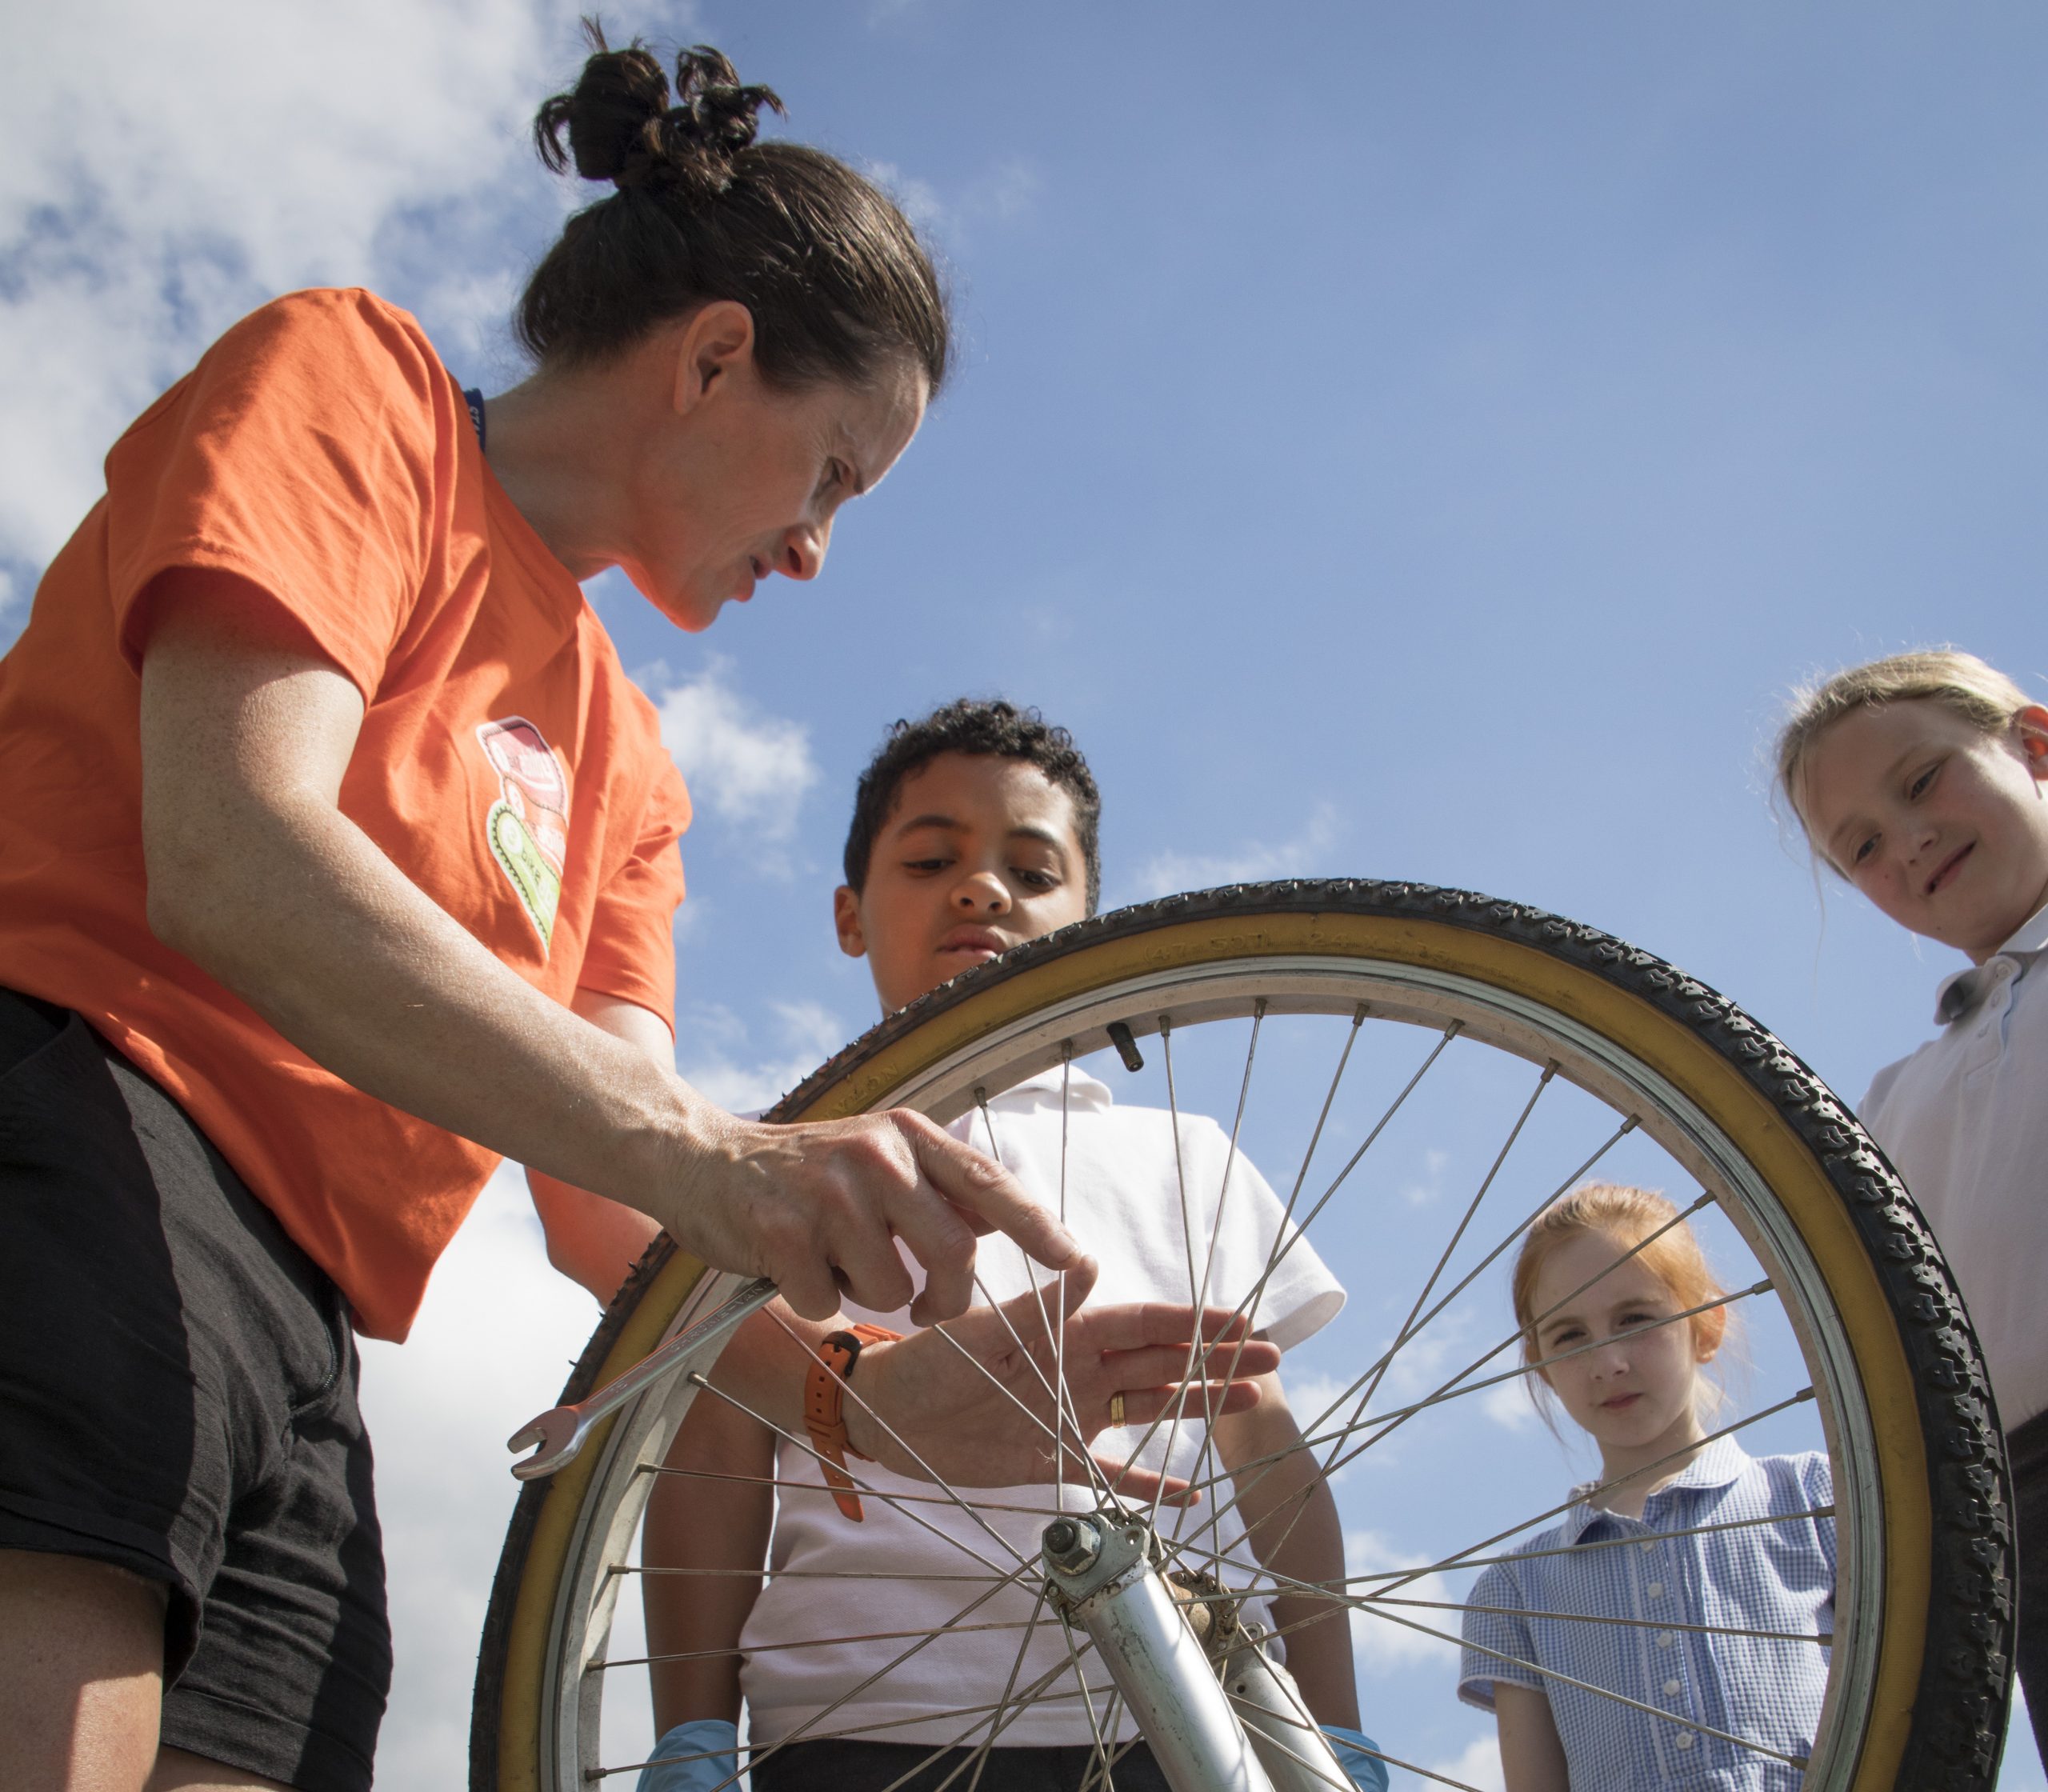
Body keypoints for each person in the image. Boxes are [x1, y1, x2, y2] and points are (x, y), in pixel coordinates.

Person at [0, 34, 1258, 1792]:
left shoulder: (634, 769)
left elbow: (617, 1208)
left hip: (315, 1321)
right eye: (832, 473)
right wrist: (730, 1160)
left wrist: (858, 1396)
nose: (817, 550)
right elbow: (235, 848)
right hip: (80, 1124)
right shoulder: (352, 385)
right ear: (716, 356)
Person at [634, 699, 1389, 1792]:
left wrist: (1339, 1725)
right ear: (849, 914)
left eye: (1034, 874)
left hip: (1189, 1716)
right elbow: (720, 1435)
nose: (982, 888)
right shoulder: (780, 1163)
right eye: (932, 857)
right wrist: (690, 1733)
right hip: (865, 1715)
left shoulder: (1190, 1153)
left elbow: (1268, 1449)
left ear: (1090, 917)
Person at [1774, 646, 2048, 1766]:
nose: (1909, 842)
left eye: (1924, 781)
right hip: (2010, 1516)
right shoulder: (1894, 1097)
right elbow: (1888, 1359)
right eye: (1864, 850)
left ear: (2034, 746)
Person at [1458, 1185, 1835, 1792]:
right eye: (1569, 1335)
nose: (1607, 1361)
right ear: (1540, 1366)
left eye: (1635, 1319)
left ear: (1706, 1327)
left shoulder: (1815, 1498)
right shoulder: (1514, 1593)